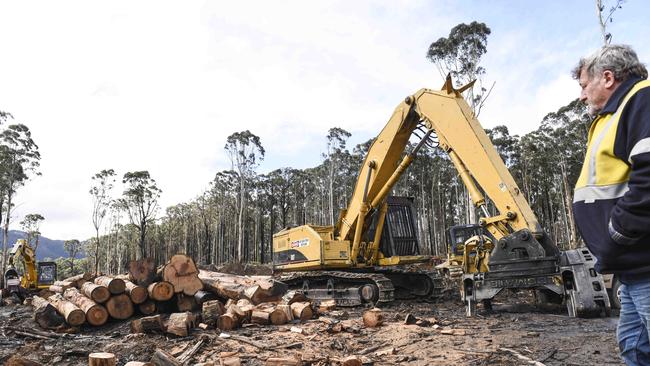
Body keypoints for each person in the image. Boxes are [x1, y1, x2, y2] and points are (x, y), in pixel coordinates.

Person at [572, 44, 650, 365]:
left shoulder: (642, 100)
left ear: (607, 78)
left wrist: (617, 232)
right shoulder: (614, 115)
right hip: (631, 268)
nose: (581, 96)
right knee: (633, 348)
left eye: (583, 85)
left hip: (642, 260)